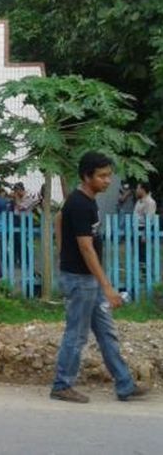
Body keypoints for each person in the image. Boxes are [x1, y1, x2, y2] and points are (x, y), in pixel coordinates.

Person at [51, 151, 147, 403]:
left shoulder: (83, 199)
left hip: (86, 279)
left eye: (108, 176)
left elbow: (58, 219)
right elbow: (86, 247)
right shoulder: (81, 204)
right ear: (87, 176)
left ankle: (125, 384)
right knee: (77, 334)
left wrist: (62, 252)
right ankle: (62, 385)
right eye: (102, 176)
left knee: (106, 332)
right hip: (81, 281)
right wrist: (107, 286)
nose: (107, 180)